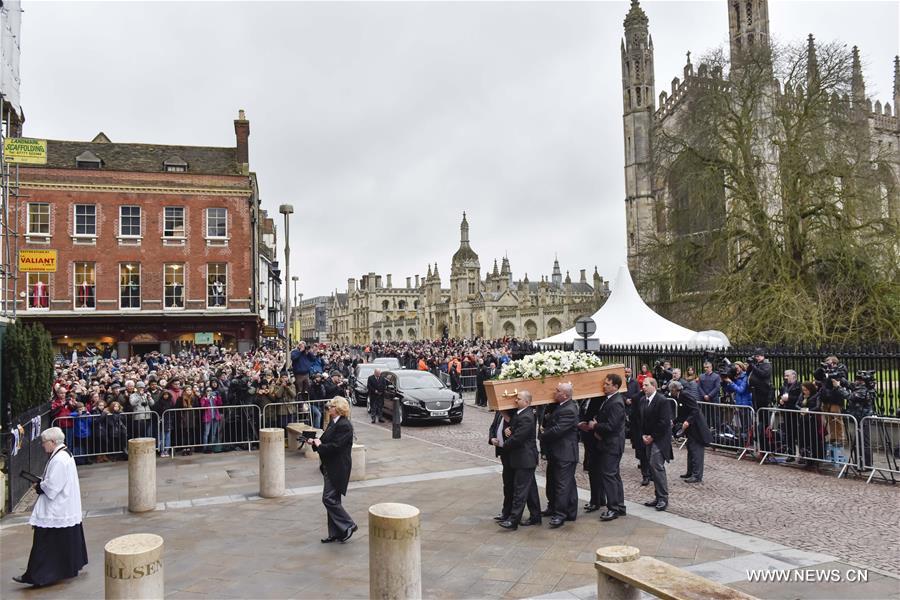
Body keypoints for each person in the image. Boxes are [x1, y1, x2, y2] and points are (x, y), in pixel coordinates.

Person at [13, 427, 88, 587]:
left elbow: (53, 487)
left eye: (44, 442)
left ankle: (38, 575)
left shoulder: (59, 459)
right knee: (63, 542)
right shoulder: (63, 454)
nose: (42, 445)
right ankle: (66, 569)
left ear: (53, 442)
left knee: (44, 544)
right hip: (64, 506)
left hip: (56, 510)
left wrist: (39, 486)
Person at [310, 397, 358, 544]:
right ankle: (337, 532)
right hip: (329, 465)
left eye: (330, 406)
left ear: (337, 409)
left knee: (328, 499)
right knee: (334, 499)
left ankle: (348, 524)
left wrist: (320, 445)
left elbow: (336, 447)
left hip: (338, 467)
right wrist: (314, 442)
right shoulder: (333, 422)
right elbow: (324, 441)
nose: (328, 408)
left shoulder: (345, 425)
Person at [497, 391, 541, 530]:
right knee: (531, 489)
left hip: (525, 458)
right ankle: (535, 516)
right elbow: (513, 429)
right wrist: (509, 430)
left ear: (527, 402)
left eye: (519, 398)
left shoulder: (527, 416)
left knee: (520, 491)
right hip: (521, 458)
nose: (516, 400)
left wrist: (504, 443)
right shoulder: (519, 413)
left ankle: (513, 520)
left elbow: (518, 438)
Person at [539, 383, 579, 528]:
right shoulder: (559, 406)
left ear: (565, 395)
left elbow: (558, 430)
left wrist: (543, 434)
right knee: (554, 481)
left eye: (557, 391)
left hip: (565, 453)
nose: (554, 392)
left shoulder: (569, 409)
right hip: (556, 452)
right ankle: (558, 507)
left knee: (563, 484)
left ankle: (561, 514)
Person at [593, 374, 627, 521]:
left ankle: (614, 508)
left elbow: (612, 426)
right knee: (613, 475)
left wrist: (596, 426)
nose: (604, 386)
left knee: (609, 476)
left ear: (615, 386)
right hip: (609, 443)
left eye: (607, 384)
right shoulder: (610, 400)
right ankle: (619, 506)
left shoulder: (616, 402)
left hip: (612, 445)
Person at [670, 381, 711, 483]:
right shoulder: (680, 397)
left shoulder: (685, 395)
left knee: (696, 451)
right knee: (691, 450)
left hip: (696, 428)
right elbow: (683, 413)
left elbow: (695, 410)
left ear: (675, 389)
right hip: (691, 429)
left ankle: (697, 475)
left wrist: (688, 421)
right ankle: (690, 472)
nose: (670, 392)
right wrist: (674, 422)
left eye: (671, 390)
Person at [640, 378, 672, 511]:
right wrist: (643, 434)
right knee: (652, 467)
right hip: (648, 438)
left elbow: (664, 422)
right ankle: (658, 496)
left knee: (657, 466)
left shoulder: (662, 400)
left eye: (646, 385)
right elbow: (640, 419)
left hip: (659, 440)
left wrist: (652, 437)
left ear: (653, 386)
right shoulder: (643, 401)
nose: (644, 387)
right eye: (643, 385)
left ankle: (663, 498)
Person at [578, 393, 605, 513]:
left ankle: (596, 501)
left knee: (596, 469)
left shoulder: (599, 399)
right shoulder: (586, 398)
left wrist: (593, 426)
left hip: (596, 438)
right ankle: (598, 498)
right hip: (588, 438)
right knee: (593, 469)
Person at [489, 408, 513, 523]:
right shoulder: (499, 412)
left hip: (512, 453)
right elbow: (493, 427)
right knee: (507, 484)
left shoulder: (512, 413)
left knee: (513, 485)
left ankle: (512, 513)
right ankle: (506, 511)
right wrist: (492, 438)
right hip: (503, 452)